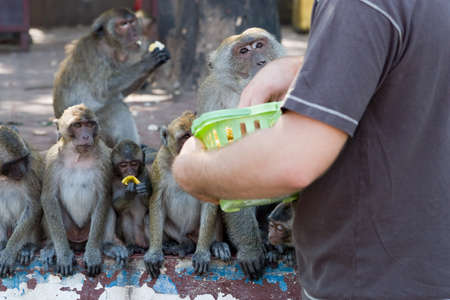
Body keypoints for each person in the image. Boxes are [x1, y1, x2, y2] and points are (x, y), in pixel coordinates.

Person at [172, 0, 450, 298]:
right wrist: (307, 65)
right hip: (427, 262)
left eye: (260, 47)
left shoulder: (355, 6)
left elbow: (291, 164)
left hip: (369, 278)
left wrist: (190, 171)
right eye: (244, 51)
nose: (256, 58)